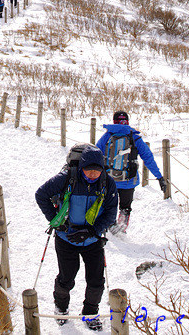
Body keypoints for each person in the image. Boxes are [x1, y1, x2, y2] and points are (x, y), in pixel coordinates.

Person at [35, 145, 118, 330]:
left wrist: (94, 231)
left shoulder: (107, 183)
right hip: (66, 238)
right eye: (88, 170)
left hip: (93, 240)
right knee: (66, 277)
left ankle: (90, 313)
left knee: (96, 280)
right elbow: (41, 194)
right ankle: (61, 308)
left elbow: (111, 212)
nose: (93, 174)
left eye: (97, 171)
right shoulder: (66, 178)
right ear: (81, 167)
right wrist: (56, 221)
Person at [96, 110, 167, 233]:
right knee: (125, 207)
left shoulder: (106, 137)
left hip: (108, 180)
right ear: (127, 122)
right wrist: (159, 177)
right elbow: (148, 158)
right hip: (128, 180)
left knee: (108, 204)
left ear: (114, 121)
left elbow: (95, 155)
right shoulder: (135, 138)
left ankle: (108, 227)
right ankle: (120, 230)